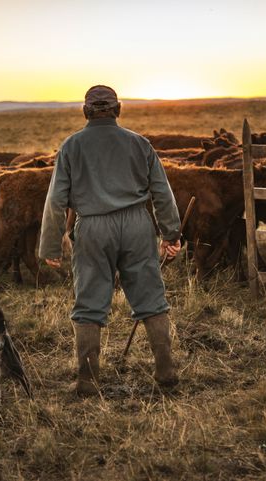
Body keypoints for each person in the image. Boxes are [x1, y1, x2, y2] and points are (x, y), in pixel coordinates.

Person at [39, 85, 182, 396]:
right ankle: (166, 371)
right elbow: (162, 191)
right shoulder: (140, 144)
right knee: (151, 299)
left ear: (86, 111)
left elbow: (55, 201)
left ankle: (88, 380)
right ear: (118, 109)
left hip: (91, 227)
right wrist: (170, 233)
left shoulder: (71, 146)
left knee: (89, 304)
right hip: (136, 225)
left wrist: (51, 246)